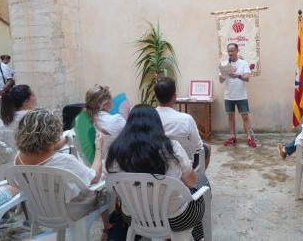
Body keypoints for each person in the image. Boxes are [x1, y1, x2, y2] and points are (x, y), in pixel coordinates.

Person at [106, 105, 208, 241]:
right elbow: (192, 182)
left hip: (134, 217)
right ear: (156, 124)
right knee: (201, 183)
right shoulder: (171, 147)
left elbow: (114, 187)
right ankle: (196, 236)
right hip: (176, 218)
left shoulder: (115, 151)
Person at [14, 108, 108, 227]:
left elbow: (45, 150)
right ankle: (108, 229)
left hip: (40, 209)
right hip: (67, 211)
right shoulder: (64, 161)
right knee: (105, 173)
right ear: (52, 134)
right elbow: (94, 177)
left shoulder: (19, 157)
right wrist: (98, 147)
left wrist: (65, 140)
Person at [154, 77, 211, 169]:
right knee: (207, 147)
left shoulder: (149, 117)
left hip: (158, 163)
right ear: (174, 96)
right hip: (184, 164)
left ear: (156, 97)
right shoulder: (186, 119)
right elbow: (198, 146)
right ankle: (198, 179)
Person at [219, 43, 256, 147]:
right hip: (228, 95)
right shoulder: (224, 64)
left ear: (237, 51)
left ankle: (249, 138)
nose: (230, 53)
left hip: (241, 95)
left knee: (245, 117)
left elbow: (247, 78)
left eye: (232, 50)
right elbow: (221, 80)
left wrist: (237, 75)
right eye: (229, 51)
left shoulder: (243, 63)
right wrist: (224, 74)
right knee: (230, 116)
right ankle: (232, 137)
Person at [0, 85, 37, 150]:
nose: (35, 98)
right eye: (33, 95)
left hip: (15, 158)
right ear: (26, 101)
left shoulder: (7, 118)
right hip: (31, 157)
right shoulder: (32, 116)